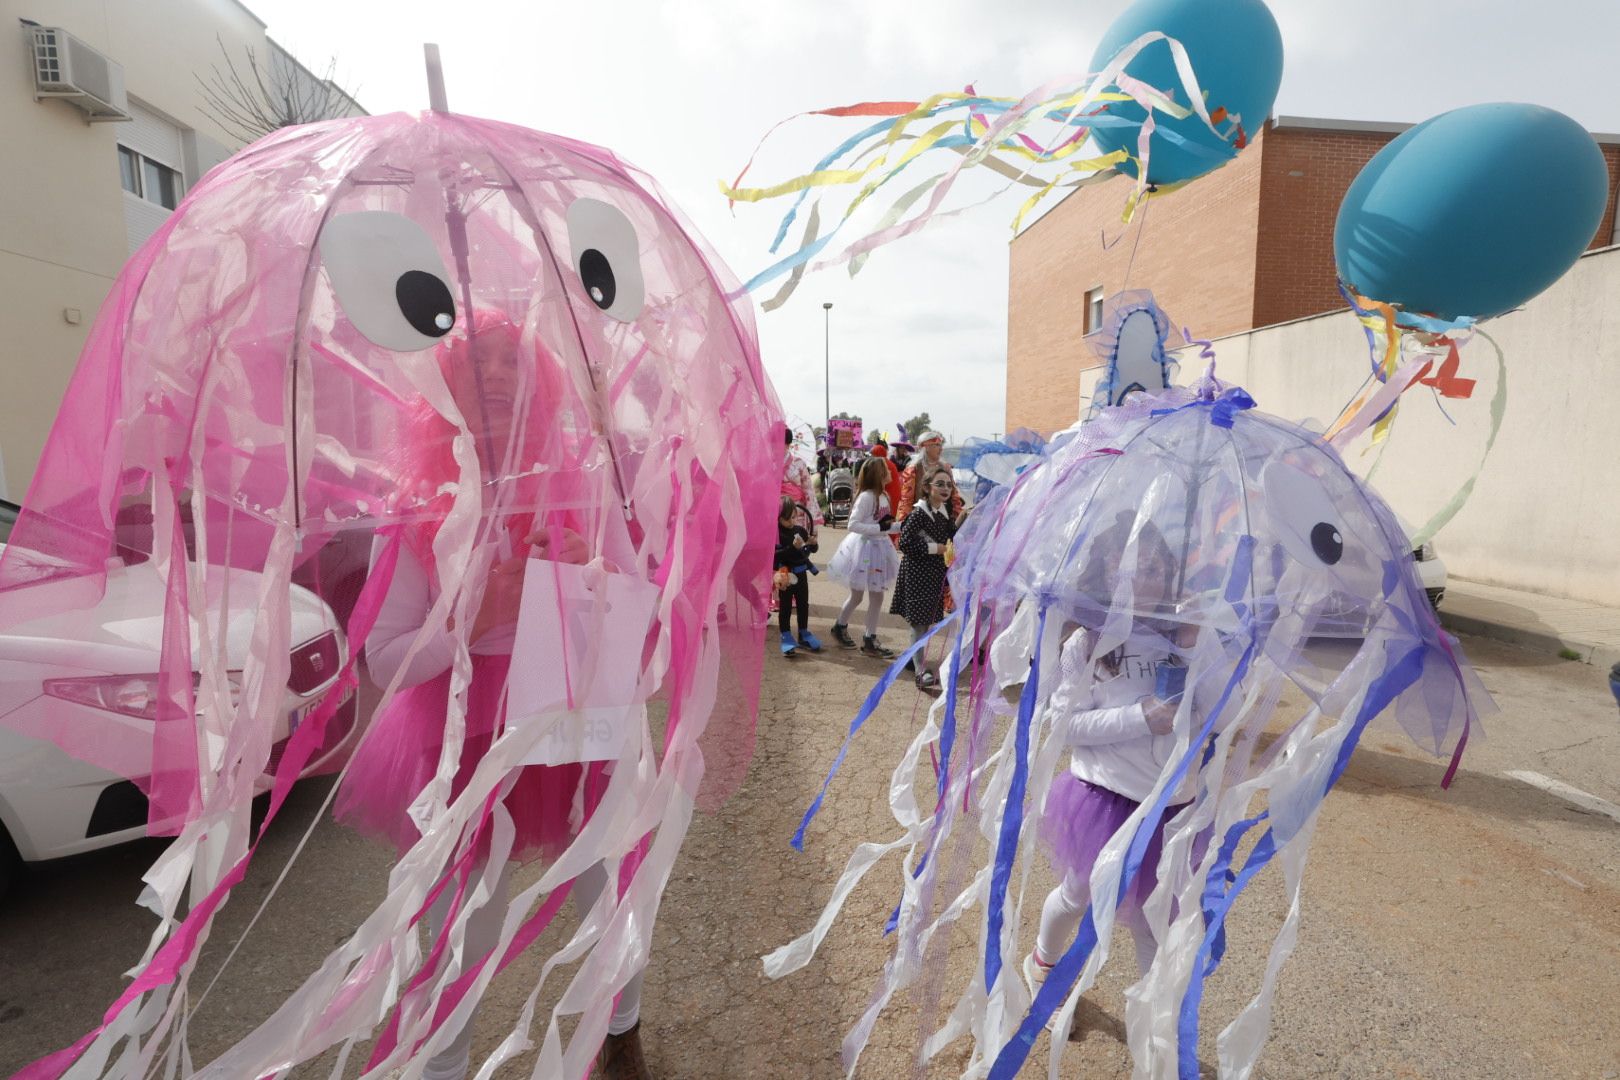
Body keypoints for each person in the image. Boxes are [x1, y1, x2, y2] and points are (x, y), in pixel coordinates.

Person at [337, 313, 652, 1080]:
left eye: (513, 361)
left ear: (542, 383)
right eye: (477, 364)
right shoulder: (415, 506)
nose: (499, 377)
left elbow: (640, 608)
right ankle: (442, 1066)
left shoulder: (588, 488)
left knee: (609, 890)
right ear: (441, 392)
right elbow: (384, 658)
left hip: (577, 721)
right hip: (460, 743)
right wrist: (475, 619)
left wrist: (589, 581)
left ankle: (623, 1026)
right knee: (457, 928)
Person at [1021, 514, 1208, 1015]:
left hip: (1170, 806)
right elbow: (1063, 726)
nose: (1140, 579)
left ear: (1170, 572)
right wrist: (1140, 717)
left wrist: (1193, 644)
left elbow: (1223, 712)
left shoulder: (1194, 638)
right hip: (1104, 799)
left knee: (1154, 919)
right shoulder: (1088, 644)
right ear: (1103, 577)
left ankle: (1152, 1025)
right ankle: (1043, 963)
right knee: (1077, 894)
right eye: (1124, 569)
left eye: (1152, 567)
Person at [890, 469, 966, 689]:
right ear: (927, 487)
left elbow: (951, 534)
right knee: (919, 622)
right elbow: (904, 543)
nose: (945, 488)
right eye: (940, 484)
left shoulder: (942, 512)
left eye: (948, 485)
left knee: (925, 621)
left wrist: (964, 517)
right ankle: (920, 671)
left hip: (933, 575)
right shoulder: (918, 513)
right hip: (916, 575)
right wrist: (935, 548)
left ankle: (913, 658)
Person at [825, 456, 902, 656]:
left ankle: (868, 637)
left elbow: (883, 525)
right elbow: (853, 524)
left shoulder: (883, 495)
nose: (890, 472)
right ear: (878, 474)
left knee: (877, 596)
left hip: (880, 548)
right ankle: (843, 627)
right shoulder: (867, 497)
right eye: (885, 469)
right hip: (864, 551)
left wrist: (901, 526)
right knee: (858, 595)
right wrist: (880, 527)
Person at [774, 495, 821, 656]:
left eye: (793, 517)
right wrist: (793, 548)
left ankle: (803, 633)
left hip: (801, 575)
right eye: (787, 519)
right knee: (785, 607)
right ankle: (786, 635)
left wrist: (813, 544)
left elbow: (810, 551)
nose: (791, 522)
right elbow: (776, 556)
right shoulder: (776, 534)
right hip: (785, 575)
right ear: (778, 517)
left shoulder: (800, 530)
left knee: (803, 604)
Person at [897, 430, 962, 523]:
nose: (941, 449)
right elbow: (906, 501)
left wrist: (957, 517)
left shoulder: (946, 467)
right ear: (926, 447)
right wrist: (905, 523)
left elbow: (954, 495)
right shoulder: (913, 469)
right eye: (937, 445)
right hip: (920, 521)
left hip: (944, 519)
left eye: (941, 445)